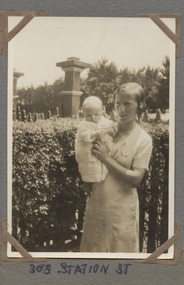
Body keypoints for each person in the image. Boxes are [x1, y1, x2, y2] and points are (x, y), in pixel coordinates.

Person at [80, 82, 152, 253]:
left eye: (127, 104)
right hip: (97, 205)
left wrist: (105, 158)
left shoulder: (143, 139)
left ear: (139, 106)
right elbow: (84, 155)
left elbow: (136, 178)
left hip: (122, 212)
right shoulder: (102, 129)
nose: (121, 109)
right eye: (118, 103)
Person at [75, 96, 117, 195]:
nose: (93, 118)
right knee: (89, 168)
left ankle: (100, 182)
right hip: (88, 150)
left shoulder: (105, 121)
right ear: (83, 113)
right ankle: (87, 184)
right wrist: (94, 134)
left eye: (96, 114)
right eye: (88, 115)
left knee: (102, 167)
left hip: (102, 149)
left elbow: (113, 128)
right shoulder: (84, 124)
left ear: (102, 111)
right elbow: (83, 135)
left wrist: (112, 130)